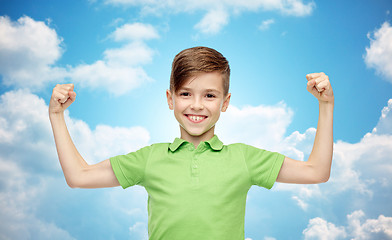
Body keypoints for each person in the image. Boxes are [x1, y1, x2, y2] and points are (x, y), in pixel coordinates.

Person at [49, 46, 334, 240]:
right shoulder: (150, 159)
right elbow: (78, 176)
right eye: (186, 94)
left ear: (225, 102)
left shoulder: (245, 159)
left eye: (209, 95)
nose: (197, 105)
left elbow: (316, 172)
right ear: (170, 98)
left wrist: (326, 105)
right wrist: (57, 116)